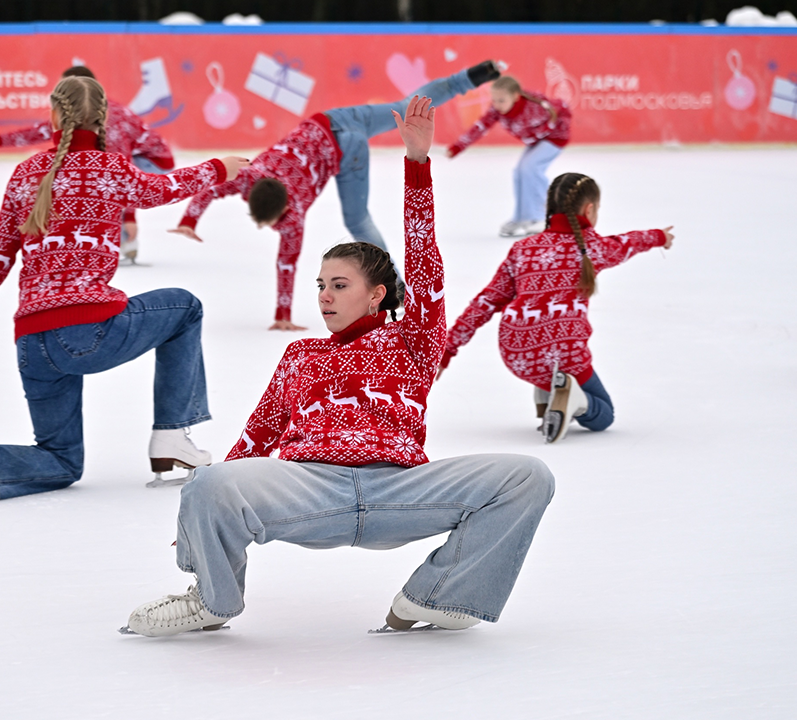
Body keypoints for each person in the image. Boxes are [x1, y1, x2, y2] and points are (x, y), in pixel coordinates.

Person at [125, 97, 555, 638]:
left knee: (527, 477)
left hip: (402, 491)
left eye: (340, 285)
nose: (325, 296)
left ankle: (436, 598)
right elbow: (256, 437)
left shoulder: (412, 340)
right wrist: (204, 506)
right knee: (209, 479)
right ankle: (212, 601)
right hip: (312, 491)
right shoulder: (301, 356)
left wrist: (417, 165)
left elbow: (425, 262)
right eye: (321, 285)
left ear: (377, 295)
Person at [0, 75, 249, 505]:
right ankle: (172, 436)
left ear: (53, 116)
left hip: (31, 343)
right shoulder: (112, 168)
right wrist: (219, 168)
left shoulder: (26, 174)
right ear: (103, 120)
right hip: (88, 334)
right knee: (185, 308)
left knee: (63, 461)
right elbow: (166, 188)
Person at [171, 61, 503, 331]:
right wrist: (188, 220)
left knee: (358, 220)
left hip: (347, 150)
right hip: (332, 121)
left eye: (273, 222)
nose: (272, 227)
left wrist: (283, 315)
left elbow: (286, 263)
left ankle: (395, 288)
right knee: (405, 108)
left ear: (285, 208)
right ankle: (470, 77)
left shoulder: (292, 213)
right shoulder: (248, 175)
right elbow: (212, 189)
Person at [439, 172, 675, 443]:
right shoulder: (592, 247)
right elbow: (627, 243)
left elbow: (485, 302)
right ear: (589, 209)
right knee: (604, 415)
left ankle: (548, 393)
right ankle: (572, 397)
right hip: (564, 354)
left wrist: (447, 350)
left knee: (545, 356)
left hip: (517, 352)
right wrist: (659, 237)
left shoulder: (523, 248)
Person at [0, 65, 175, 264]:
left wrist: (130, 218)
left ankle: (125, 241)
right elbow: (40, 131)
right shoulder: (80, 111)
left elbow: (123, 173)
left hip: (153, 162)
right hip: (133, 160)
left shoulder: (110, 121)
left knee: (99, 181)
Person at [447, 75, 572, 238]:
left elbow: (559, 109)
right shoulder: (497, 110)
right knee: (520, 171)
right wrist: (459, 146)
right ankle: (523, 217)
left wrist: (544, 130)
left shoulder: (534, 108)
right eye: (494, 100)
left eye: (501, 100)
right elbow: (482, 125)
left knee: (531, 169)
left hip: (555, 138)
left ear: (515, 97)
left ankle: (541, 216)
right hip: (537, 140)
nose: (497, 105)